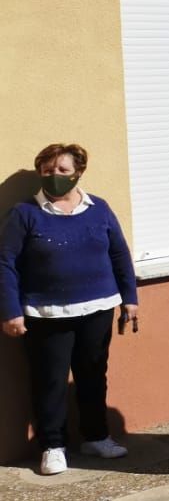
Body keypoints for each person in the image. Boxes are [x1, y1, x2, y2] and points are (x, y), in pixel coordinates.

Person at [0, 143, 138, 477]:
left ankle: (96, 437)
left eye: (62, 170)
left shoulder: (99, 209)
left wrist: (130, 298)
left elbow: (119, 254)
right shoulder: (25, 214)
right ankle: (53, 446)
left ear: (78, 172)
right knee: (50, 382)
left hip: (97, 307)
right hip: (46, 314)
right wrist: (10, 310)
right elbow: (5, 263)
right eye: (48, 170)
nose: (55, 176)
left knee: (92, 375)